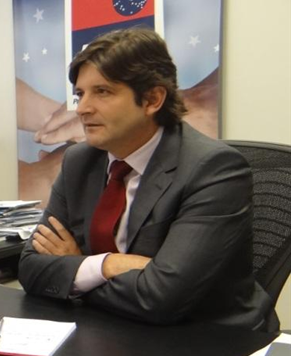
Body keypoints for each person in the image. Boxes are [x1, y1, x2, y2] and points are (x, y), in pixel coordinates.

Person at [18, 28, 278, 332]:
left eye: (102, 92)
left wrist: (76, 267)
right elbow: (31, 268)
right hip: (114, 330)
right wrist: (108, 265)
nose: (83, 108)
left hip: (205, 338)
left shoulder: (213, 169)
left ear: (153, 99)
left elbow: (161, 298)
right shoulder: (79, 161)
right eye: (80, 94)